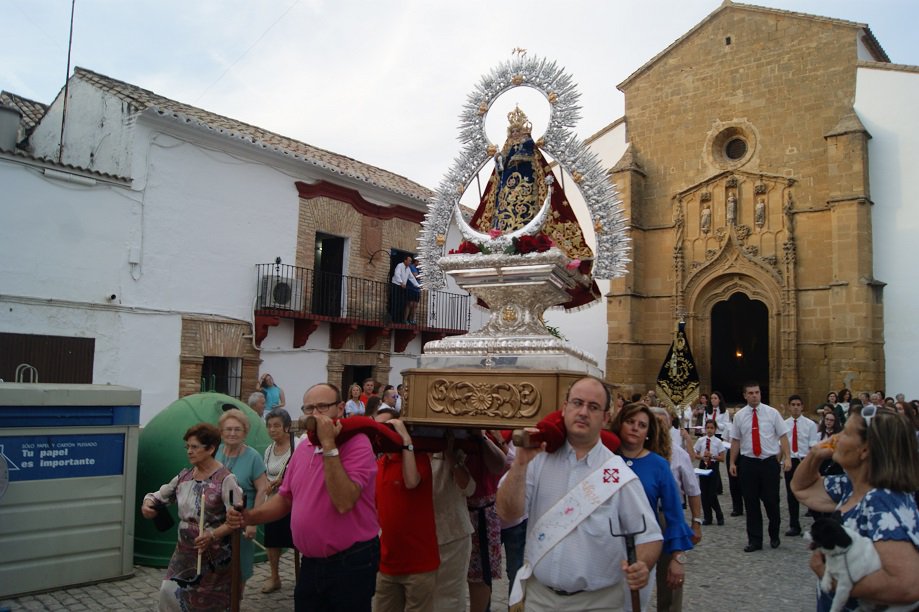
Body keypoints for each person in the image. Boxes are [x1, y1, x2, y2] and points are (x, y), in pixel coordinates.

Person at [497, 376, 663, 611]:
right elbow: (507, 512)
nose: (583, 412)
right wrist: (520, 465)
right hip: (539, 599)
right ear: (565, 408)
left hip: (597, 603)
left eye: (593, 407)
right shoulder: (536, 459)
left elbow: (649, 536)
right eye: (577, 403)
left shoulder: (616, 474)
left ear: (606, 417)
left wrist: (643, 564)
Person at [227, 383, 380, 612]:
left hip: (350, 561)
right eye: (309, 409)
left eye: (322, 407)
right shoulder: (304, 446)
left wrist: (328, 443)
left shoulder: (358, 444)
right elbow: (286, 498)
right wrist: (249, 517)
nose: (315, 414)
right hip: (311, 561)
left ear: (339, 408)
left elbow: (344, 501)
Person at [791, 406, 919, 611]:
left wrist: (831, 578)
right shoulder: (852, 486)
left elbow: (907, 585)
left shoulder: (882, 499)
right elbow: (802, 488)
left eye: (846, 433)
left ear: (865, 450)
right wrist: (815, 454)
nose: (837, 438)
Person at [140, 423, 242, 611]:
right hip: (184, 552)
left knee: (208, 603)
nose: (189, 451)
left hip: (214, 555)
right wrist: (148, 504)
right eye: (187, 446)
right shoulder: (184, 477)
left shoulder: (226, 480)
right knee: (168, 592)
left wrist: (212, 535)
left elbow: (235, 521)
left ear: (211, 448)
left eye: (194, 447)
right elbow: (157, 496)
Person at [614, 403, 696, 612]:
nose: (635, 428)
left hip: (640, 548)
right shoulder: (605, 457)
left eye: (642, 425)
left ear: (648, 433)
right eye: (630, 422)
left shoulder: (658, 465)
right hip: (602, 545)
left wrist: (678, 558)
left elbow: (674, 514)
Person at [373, 419, 439, 612]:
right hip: (388, 562)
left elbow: (411, 481)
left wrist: (406, 440)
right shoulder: (379, 464)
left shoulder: (419, 459)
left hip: (419, 563)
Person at [729, 382, 791, 552]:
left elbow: (783, 436)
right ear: (745, 395)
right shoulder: (740, 416)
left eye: (757, 392)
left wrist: (787, 458)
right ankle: (755, 540)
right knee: (751, 503)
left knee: (771, 501)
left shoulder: (772, 413)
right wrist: (732, 462)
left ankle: (774, 534)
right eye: (751, 393)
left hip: (768, 462)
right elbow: (735, 440)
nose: (754, 395)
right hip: (748, 463)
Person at [216, 409, 268, 593]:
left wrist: (253, 521)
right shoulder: (215, 452)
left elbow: (263, 488)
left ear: (245, 432)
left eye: (237, 429)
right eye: (228, 429)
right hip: (215, 520)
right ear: (221, 432)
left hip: (241, 521)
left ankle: (235, 603)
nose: (232, 433)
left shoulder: (253, 456)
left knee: (239, 568)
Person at [431, 433, 476, 610]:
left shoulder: (454, 449)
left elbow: (469, 488)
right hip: (420, 535)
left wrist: (450, 457)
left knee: (450, 599)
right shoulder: (410, 449)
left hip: (452, 534)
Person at [466, 430, 507, 612]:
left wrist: (481, 436)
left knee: (481, 576)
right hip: (452, 508)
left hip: (483, 512)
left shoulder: (488, 433)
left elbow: (499, 465)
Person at [260, 408, 296, 594]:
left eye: (277, 426)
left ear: (287, 427)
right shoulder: (269, 449)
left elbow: (302, 472)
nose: (272, 429)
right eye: (269, 426)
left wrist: (284, 481)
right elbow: (266, 472)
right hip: (274, 501)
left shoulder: (296, 447)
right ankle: (274, 576)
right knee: (272, 540)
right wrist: (268, 482)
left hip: (293, 502)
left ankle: (301, 574)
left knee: (299, 540)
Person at [783, 394, 818, 537]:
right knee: (791, 494)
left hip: (804, 460)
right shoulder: (784, 424)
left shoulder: (810, 425)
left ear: (802, 407)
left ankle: (817, 523)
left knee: (809, 493)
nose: (796, 407)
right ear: (789, 407)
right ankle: (794, 525)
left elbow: (812, 445)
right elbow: (782, 445)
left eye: (798, 405)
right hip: (790, 460)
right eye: (793, 405)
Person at [693, 419, 726, 525]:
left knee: (712, 494)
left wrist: (713, 456)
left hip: (713, 466)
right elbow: (695, 454)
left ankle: (719, 515)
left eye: (712, 428)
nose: (709, 430)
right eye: (708, 428)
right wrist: (702, 457)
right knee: (704, 494)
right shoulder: (701, 440)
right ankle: (708, 517)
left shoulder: (718, 442)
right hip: (703, 466)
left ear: (715, 429)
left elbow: (722, 458)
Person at [391, 255, 412, 324]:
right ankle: (393, 319)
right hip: (396, 285)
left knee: (401, 303)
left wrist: (418, 285)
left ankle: (398, 319)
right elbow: (397, 274)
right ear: (405, 260)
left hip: (402, 287)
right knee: (395, 302)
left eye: (411, 261)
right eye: (409, 261)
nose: (410, 262)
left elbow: (411, 277)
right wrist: (401, 282)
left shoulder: (408, 269)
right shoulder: (399, 265)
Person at [405, 258, 422, 325]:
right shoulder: (411, 267)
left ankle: (413, 320)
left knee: (415, 305)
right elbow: (416, 276)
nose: (420, 263)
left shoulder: (420, 269)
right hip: (411, 288)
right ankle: (405, 319)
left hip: (417, 290)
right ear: (416, 261)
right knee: (410, 304)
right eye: (419, 261)